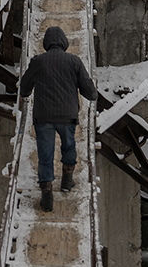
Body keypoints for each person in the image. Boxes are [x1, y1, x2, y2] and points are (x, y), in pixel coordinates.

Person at [18, 25, 96, 211]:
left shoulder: (38, 61)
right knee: (68, 145)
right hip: (67, 116)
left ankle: (47, 198)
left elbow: (25, 88)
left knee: (45, 155)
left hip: (43, 117)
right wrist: (91, 93)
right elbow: (90, 92)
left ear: (46, 43)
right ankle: (67, 182)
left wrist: (29, 91)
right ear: (64, 43)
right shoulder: (74, 61)